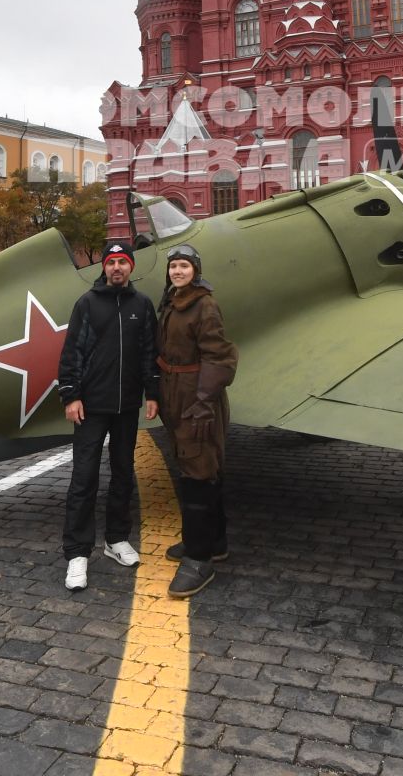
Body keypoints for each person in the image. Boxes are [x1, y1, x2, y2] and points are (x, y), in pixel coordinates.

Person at [58, 241, 159, 592]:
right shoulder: (87, 303)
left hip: (127, 406)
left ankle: (117, 539)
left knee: (122, 474)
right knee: (83, 478)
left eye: (123, 262)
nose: (117, 268)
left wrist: (153, 393)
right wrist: (71, 396)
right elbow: (72, 352)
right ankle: (77, 553)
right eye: (111, 262)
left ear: (131, 267)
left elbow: (150, 352)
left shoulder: (142, 305)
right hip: (91, 407)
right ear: (104, 268)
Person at [154, 243, 237, 598]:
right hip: (177, 394)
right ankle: (212, 541)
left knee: (198, 473)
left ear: (196, 270)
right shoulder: (173, 302)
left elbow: (220, 357)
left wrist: (204, 402)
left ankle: (199, 558)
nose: (178, 272)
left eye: (185, 266)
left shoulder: (205, 305)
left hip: (196, 398)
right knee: (196, 466)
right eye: (174, 267)